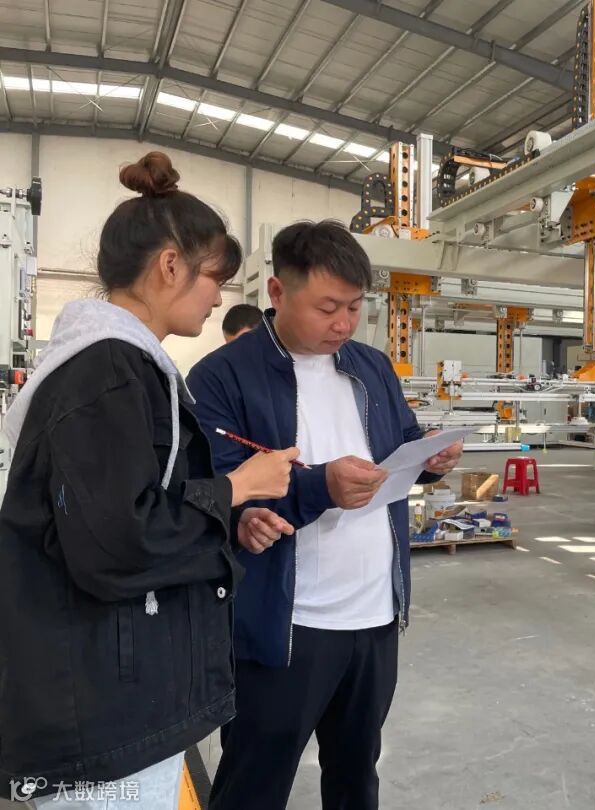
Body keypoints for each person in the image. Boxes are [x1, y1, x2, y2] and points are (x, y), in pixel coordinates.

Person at [0, 152, 297, 809]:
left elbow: (128, 509)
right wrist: (236, 488)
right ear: (169, 265)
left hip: (118, 697)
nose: (218, 297)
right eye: (214, 278)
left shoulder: (124, 366)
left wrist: (225, 519)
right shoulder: (108, 372)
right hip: (103, 714)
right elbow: (118, 544)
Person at [187, 219, 463, 810]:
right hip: (284, 624)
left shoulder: (371, 366)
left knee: (356, 776)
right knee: (254, 784)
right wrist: (318, 489)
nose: (343, 323)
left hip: (374, 616)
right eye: (327, 308)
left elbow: (399, 445)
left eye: (355, 307)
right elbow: (213, 492)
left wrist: (429, 459)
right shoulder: (223, 376)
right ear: (278, 292)